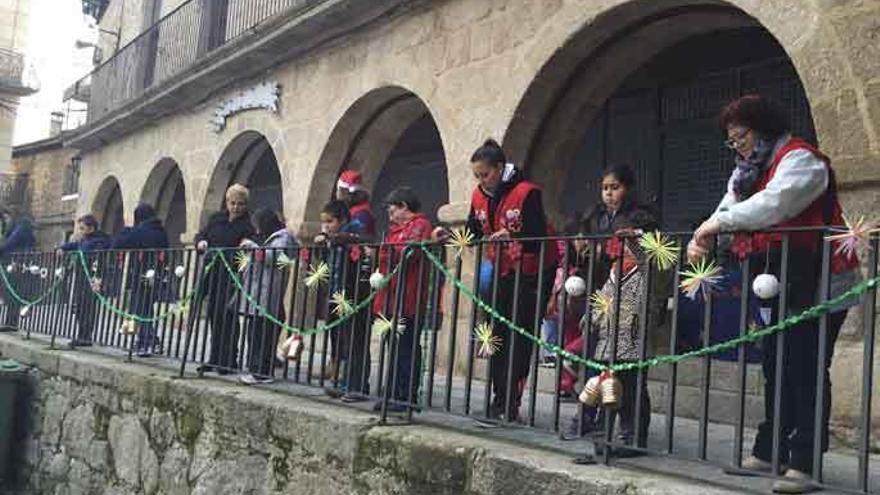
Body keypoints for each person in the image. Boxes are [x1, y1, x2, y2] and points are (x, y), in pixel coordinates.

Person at [689, 94, 861, 494]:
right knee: (774, 364)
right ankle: (769, 451)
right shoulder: (746, 171)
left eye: (742, 136)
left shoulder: (802, 161)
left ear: (764, 129)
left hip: (816, 280)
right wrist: (704, 233)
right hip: (776, 277)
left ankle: (804, 461)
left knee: (806, 367)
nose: (738, 146)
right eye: (731, 141)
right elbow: (728, 207)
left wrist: (713, 226)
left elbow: (774, 205)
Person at [436, 138, 556, 422]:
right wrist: (448, 237)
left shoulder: (528, 193)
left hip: (530, 274)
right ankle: (497, 398)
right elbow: (472, 232)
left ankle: (511, 402)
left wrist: (513, 237)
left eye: (486, 174)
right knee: (497, 335)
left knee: (520, 338)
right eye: (477, 176)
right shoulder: (479, 196)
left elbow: (538, 236)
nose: (482, 181)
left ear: (500, 168)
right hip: (501, 271)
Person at [560, 164, 658, 440]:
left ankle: (632, 432)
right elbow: (583, 247)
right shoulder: (594, 217)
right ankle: (590, 418)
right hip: (600, 297)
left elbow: (650, 256)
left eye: (615, 188)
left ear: (627, 189)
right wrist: (582, 245)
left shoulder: (642, 217)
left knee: (629, 369)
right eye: (605, 188)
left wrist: (622, 245)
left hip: (630, 300)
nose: (609, 194)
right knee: (594, 362)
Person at [372, 187, 433, 413]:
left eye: (392, 208)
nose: (389, 214)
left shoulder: (420, 225)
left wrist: (389, 251)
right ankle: (392, 391)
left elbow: (411, 253)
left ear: (404, 206)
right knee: (393, 346)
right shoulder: (395, 230)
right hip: (390, 298)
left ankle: (405, 394)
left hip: (407, 298)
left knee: (406, 347)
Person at [194, 184, 255, 374]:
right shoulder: (216, 219)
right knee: (214, 316)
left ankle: (229, 360)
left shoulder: (247, 225)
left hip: (232, 275)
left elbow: (248, 248)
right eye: (232, 203)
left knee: (229, 317)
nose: (236, 207)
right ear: (227, 202)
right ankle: (215, 358)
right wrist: (201, 242)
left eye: (240, 204)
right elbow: (201, 235)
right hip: (213, 273)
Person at [316, 200, 372, 401]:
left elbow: (364, 251)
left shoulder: (356, 234)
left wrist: (341, 239)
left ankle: (357, 385)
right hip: (337, 294)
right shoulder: (333, 239)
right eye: (324, 222)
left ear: (343, 220)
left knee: (356, 340)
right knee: (341, 339)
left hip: (355, 294)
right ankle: (342, 381)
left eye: (330, 221)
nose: (326, 226)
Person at [235, 209, 298, 385]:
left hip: (267, 293)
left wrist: (253, 248)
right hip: (259, 293)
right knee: (255, 332)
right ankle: (256, 368)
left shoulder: (281, 238)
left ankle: (261, 372)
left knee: (261, 334)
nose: (256, 231)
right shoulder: (273, 238)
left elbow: (275, 257)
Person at [112, 203, 170, 357]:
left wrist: (126, 230)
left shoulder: (142, 230)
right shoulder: (160, 230)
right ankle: (148, 340)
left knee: (141, 307)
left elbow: (118, 244)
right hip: (156, 273)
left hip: (143, 274)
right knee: (145, 308)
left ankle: (148, 342)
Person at [58, 214, 111, 347]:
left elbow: (98, 259)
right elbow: (75, 245)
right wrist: (62, 248)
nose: (80, 231)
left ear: (91, 228)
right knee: (80, 307)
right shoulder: (84, 240)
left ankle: (85, 336)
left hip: (91, 278)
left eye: (82, 228)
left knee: (88, 307)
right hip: (81, 277)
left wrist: (97, 278)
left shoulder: (100, 241)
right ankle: (81, 334)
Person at [0, 208, 36, 331]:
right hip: (11, 262)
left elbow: (10, 243)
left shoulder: (21, 227)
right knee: (9, 294)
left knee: (13, 293)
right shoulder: (15, 228)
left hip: (17, 264)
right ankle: (10, 322)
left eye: (7, 217)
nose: (6, 220)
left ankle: (11, 323)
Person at [336, 170, 376, 240]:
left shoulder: (361, 214)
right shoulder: (351, 211)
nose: (336, 194)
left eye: (338, 190)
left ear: (344, 192)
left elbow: (358, 237)